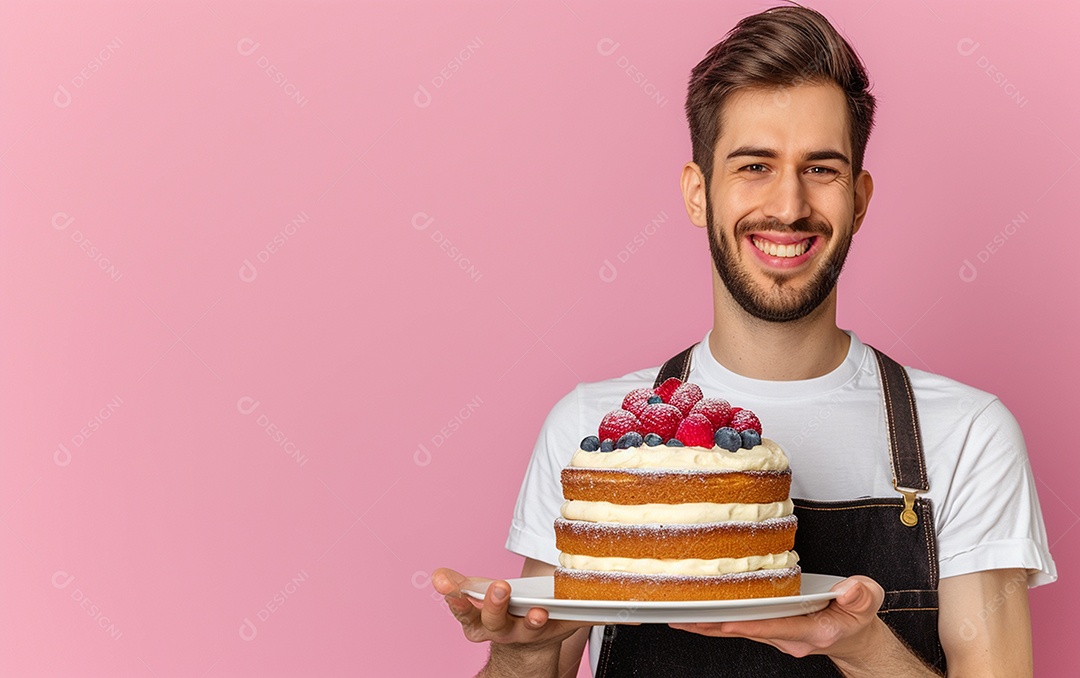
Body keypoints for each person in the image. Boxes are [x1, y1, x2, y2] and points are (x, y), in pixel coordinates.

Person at [434, 5, 1056, 676]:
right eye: (755, 165)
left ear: (859, 199)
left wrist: (862, 646)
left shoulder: (966, 436)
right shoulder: (588, 431)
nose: (788, 206)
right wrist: (520, 655)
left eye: (820, 169)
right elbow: (536, 656)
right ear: (698, 193)